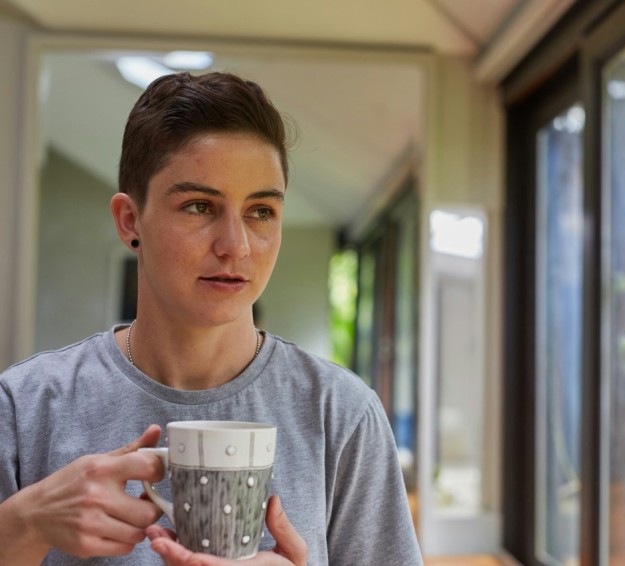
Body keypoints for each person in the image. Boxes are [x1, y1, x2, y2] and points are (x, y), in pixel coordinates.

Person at [0, 71, 422, 566]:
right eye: (200, 206)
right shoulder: (25, 408)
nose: (235, 246)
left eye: (260, 211)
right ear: (130, 221)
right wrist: (23, 524)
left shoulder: (341, 414)